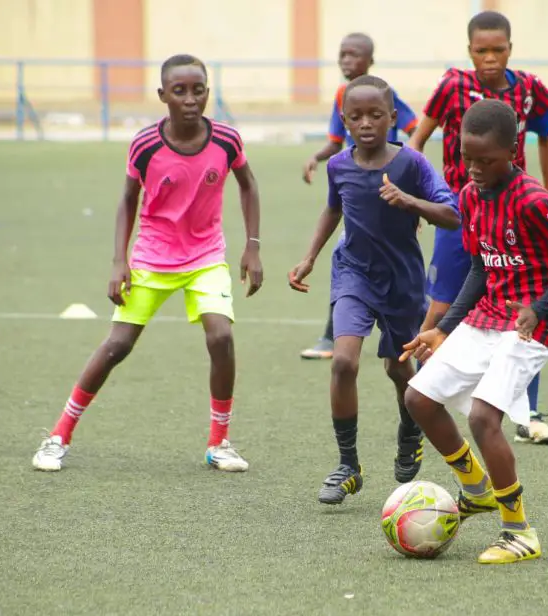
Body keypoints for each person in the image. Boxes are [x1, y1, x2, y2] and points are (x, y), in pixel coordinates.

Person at [32, 54, 263, 473]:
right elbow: (126, 199)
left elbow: (248, 186)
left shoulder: (227, 140)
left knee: (221, 337)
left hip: (206, 256)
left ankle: (219, 442)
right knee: (117, 345)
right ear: (163, 96)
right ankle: (57, 436)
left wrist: (253, 246)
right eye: (180, 91)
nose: (190, 99)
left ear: (208, 93)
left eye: (198, 90)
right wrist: (119, 261)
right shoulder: (145, 144)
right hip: (152, 258)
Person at [401, 99, 548, 563]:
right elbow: (482, 268)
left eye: (486, 160)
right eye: (467, 158)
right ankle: (476, 489)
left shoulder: (533, 200)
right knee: (419, 398)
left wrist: (540, 308)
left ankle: (519, 531)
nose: (475, 168)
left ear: (512, 151)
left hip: (530, 328)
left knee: (484, 418)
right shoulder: (468, 196)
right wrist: (443, 328)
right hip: (486, 316)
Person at [289, 75, 459, 503]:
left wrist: (410, 202)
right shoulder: (339, 165)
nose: (365, 123)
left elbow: (452, 214)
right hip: (353, 273)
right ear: (343, 120)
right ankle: (348, 465)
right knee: (344, 362)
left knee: (399, 370)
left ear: (393, 118)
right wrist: (310, 256)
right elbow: (333, 208)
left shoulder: (412, 164)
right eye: (355, 116)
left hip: (401, 281)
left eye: (375, 115)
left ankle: (410, 430)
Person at [408, 10, 548, 445]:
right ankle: (423, 399)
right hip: (459, 212)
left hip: (515, 216)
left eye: (499, 50)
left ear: (511, 49)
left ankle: (527, 415)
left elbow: (547, 138)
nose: (490, 58)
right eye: (482, 50)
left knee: (521, 311)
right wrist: (430, 197)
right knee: (441, 309)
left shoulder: (529, 89)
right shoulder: (453, 85)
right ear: (469, 50)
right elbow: (418, 139)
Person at [300, 32, 417, 361]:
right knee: (348, 258)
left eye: (354, 55)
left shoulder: (384, 94)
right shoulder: (343, 95)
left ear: (370, 61)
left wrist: (409, 179)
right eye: (342, 54)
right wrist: (316, 157)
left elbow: (415, 129)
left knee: (386, 264)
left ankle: (414, 336)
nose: (346, 61)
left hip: (388, 194)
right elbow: (336, 142)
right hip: (357, 191)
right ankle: (333, 337)